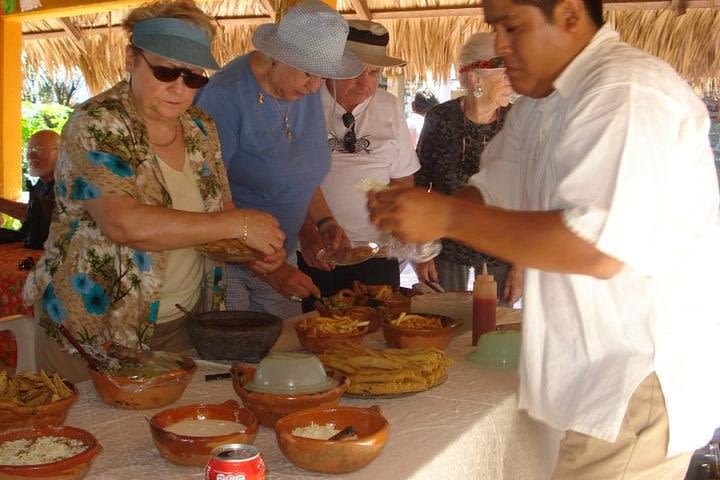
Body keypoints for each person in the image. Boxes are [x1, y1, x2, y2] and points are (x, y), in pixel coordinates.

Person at [368, 0, 720, 478]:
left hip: (633, 379)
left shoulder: (624, 92)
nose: (500, 45)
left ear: (571, 15)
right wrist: (422, 215)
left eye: (513, 27)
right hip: (588, 376)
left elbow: (596, 247)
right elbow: (495, 191)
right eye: (495, 28)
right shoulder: (541, 104)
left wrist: (446, 215)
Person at [23, 0, 285, 383]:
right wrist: (240, 224)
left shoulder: (200, 126)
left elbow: (218, 210)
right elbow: (124, 224)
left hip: (182, 320)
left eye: (193, 77)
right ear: (131, 59)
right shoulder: (98, 122)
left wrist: (251, 249)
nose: (179, 88)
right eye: (165, 71)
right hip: (94, 329)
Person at [195, 0, 363, 318]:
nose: (316, 87)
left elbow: (300, 173)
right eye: (309, 73)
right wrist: (270, 272)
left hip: (280, 255)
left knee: (280, 358)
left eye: (323, 76)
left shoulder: (302, 91)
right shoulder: (225, 96)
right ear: (277, 56)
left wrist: (321, 224)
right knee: (235, 361)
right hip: (229, 262)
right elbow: (208, 193)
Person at [296, 20, 420, 306]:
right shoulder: (306, 102)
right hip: (318, 252)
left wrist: (400, 223)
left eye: (374, 72)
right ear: (332, 68)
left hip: (378, 255)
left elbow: (402, 180)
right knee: (321, 332)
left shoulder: (388, 107)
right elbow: (292, 181)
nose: (365, 83)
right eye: (355, 72)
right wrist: (307, 233)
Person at [414, 33, 522, 302]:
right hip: (447, 249)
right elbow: (420, 186)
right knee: (447, 325)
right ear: (476, 78)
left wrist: (520, 267)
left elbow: (528, 195)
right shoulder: (441, 119)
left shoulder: (518, 121)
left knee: (495, 331)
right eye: (505, 72)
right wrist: (423, 251)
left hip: (503, 249)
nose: (513, 79)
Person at [0, 130, 59, 249]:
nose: (30, 156)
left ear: (60, 153)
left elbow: (35, 215)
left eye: (38, 150)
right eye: (29, 150)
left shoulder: (66, 185)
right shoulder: (42, 183)